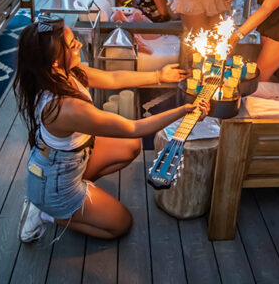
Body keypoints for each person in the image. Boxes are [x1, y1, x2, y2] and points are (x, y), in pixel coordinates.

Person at [14, 15, 208, 241]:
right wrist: (184, 110)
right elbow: (133, 127)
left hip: (63, 163)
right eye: (71, 43)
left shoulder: (61, 74)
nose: (77, 42)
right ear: (54, 60)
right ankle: (48, 214)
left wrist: (158, 75)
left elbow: (114, 78)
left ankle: (73, 196)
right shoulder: (65, 108)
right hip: (54, 185)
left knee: (129, 147)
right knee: (121, 224)